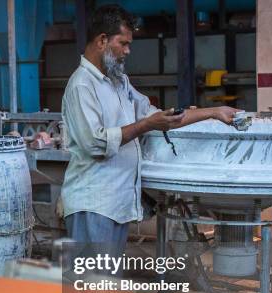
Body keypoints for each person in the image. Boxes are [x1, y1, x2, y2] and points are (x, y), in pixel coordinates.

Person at [61, 4, 239, 255]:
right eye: (123, 43)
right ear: (102, 40)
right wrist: (146, 125)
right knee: (93, 286)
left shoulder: (119, 82)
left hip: (115, 203)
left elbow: (158, 117)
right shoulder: (82, 85)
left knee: (105, 285)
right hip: (93, 204)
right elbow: (96, 143)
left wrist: (213, 112)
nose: (128, 51)